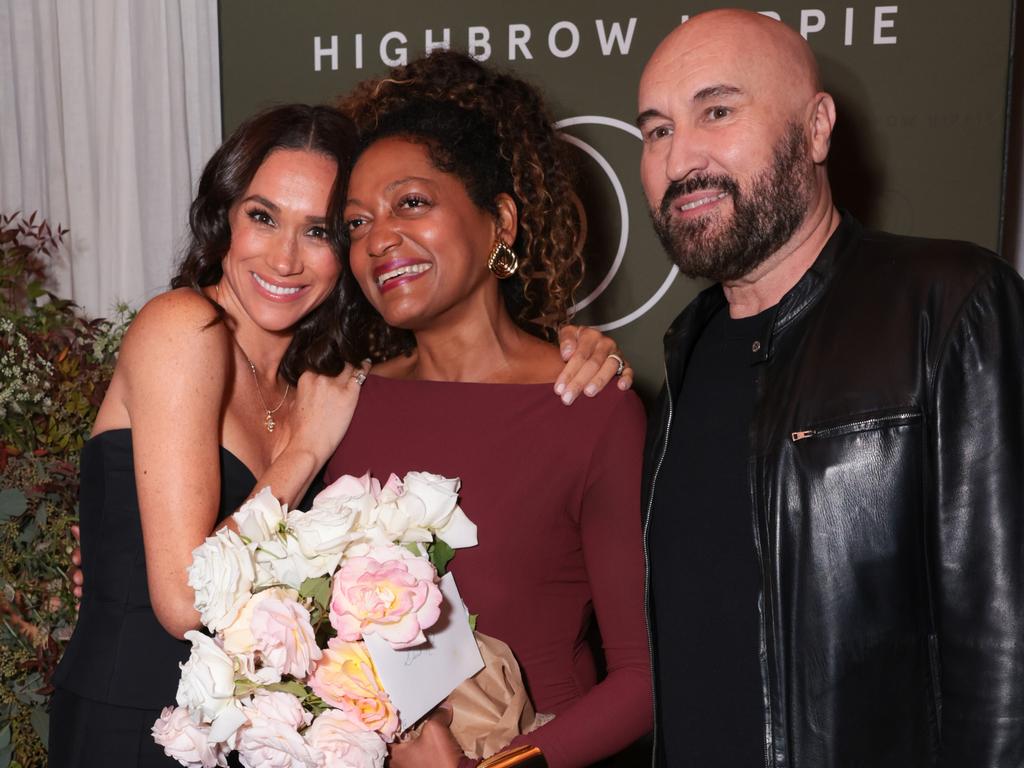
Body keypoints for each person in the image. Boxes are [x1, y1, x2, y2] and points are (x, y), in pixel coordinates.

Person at [52, 102, 630, 767]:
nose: (285, 258)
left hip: (261, 741)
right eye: (262, 217)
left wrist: (575, 348)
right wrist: (303, 452)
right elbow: (184, 602)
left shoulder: (319, 382)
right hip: (137, 726)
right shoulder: (185, 327)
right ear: (225, 218)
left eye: (322, 231)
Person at [637, 9, 1024, 768]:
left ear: (816, 129)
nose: (681, 158)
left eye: (716, 111)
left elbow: (1007, 643)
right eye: (655, 130)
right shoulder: (687, 348)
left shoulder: (949, 303)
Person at [325, 50, 653, 768]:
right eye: (355, 223)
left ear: (499, 221)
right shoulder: (341, 404)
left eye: (412, 203)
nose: (379, 239)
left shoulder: (589, 409)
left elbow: (642, 679)